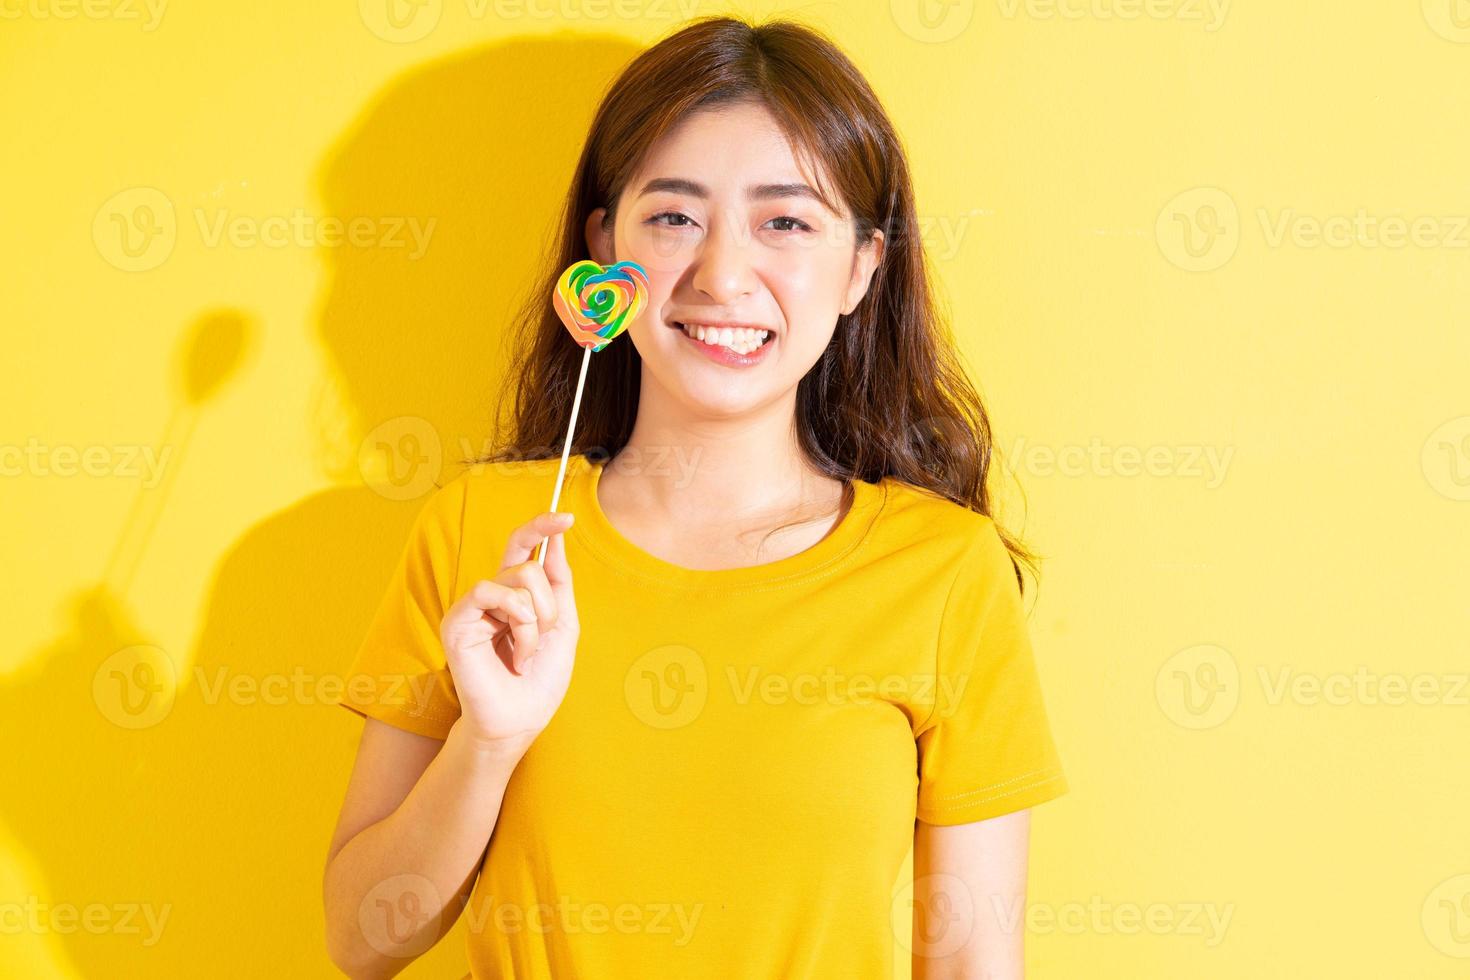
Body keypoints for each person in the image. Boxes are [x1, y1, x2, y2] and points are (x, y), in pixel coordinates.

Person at [323, 15, 1067, 979]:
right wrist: (488, 744)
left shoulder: (944, 571)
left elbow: (971, 960)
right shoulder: (483, 534)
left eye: (786, 222)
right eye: (674, 216)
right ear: (602, 250)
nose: (721, 275)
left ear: (862, 269)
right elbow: (360, 939)